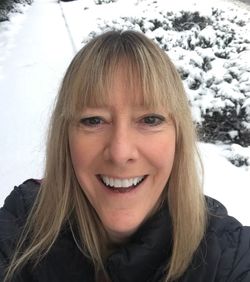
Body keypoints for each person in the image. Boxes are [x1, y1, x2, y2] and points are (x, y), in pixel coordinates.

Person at [0, 30, 250, 282]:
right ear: (65, 137)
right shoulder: (22, 225)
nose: (120, 153)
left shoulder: (228, 256)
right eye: (93, 120)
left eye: (150, 120)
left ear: (179, 136)